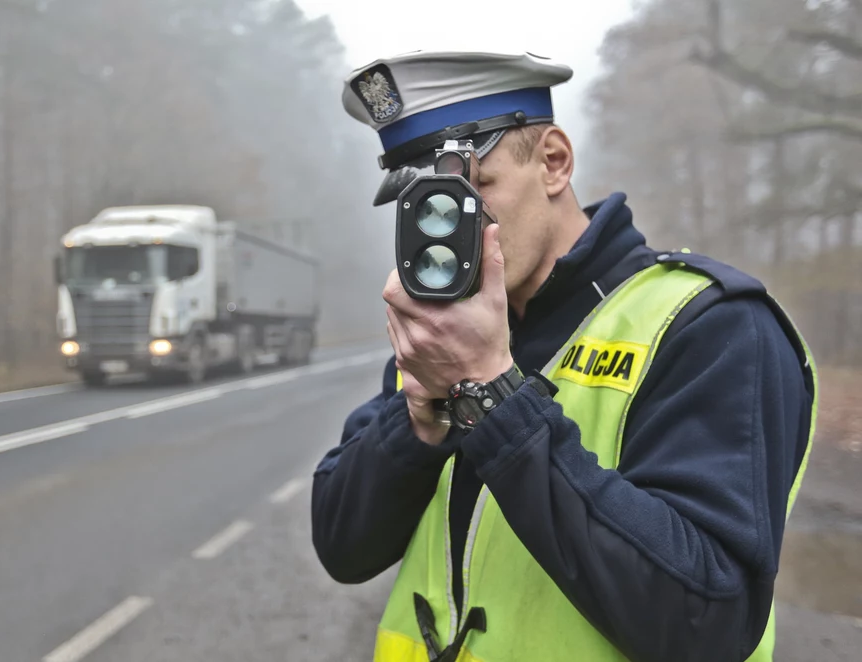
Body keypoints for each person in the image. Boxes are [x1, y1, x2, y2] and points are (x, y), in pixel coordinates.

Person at [311, 50, 818, 662]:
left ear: (553, 161)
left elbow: (703, 624)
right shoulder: (441, 337)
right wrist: (420, 420)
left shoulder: (710, 326)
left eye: (472, 188)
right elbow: (343, 546)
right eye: (427, 206)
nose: (454, 228)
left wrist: (494, 397)